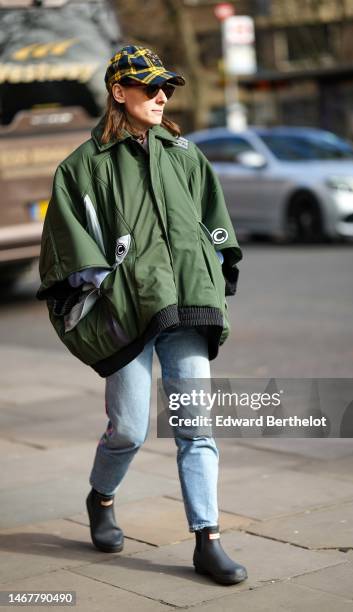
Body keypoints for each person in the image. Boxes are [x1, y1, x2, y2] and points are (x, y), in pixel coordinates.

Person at [36, 45, 246, 585]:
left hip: (187, 306)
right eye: (149, 87)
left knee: (195, 427)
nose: (160, 96)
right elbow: (67, 242)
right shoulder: (83, 167)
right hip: (125, 314)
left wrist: (215, 265)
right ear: (118, 91)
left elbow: (213, 220)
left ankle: (208, 539)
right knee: (128, 429)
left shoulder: (184, 154)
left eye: (166, 89)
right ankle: (102, 497)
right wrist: (102, 278)